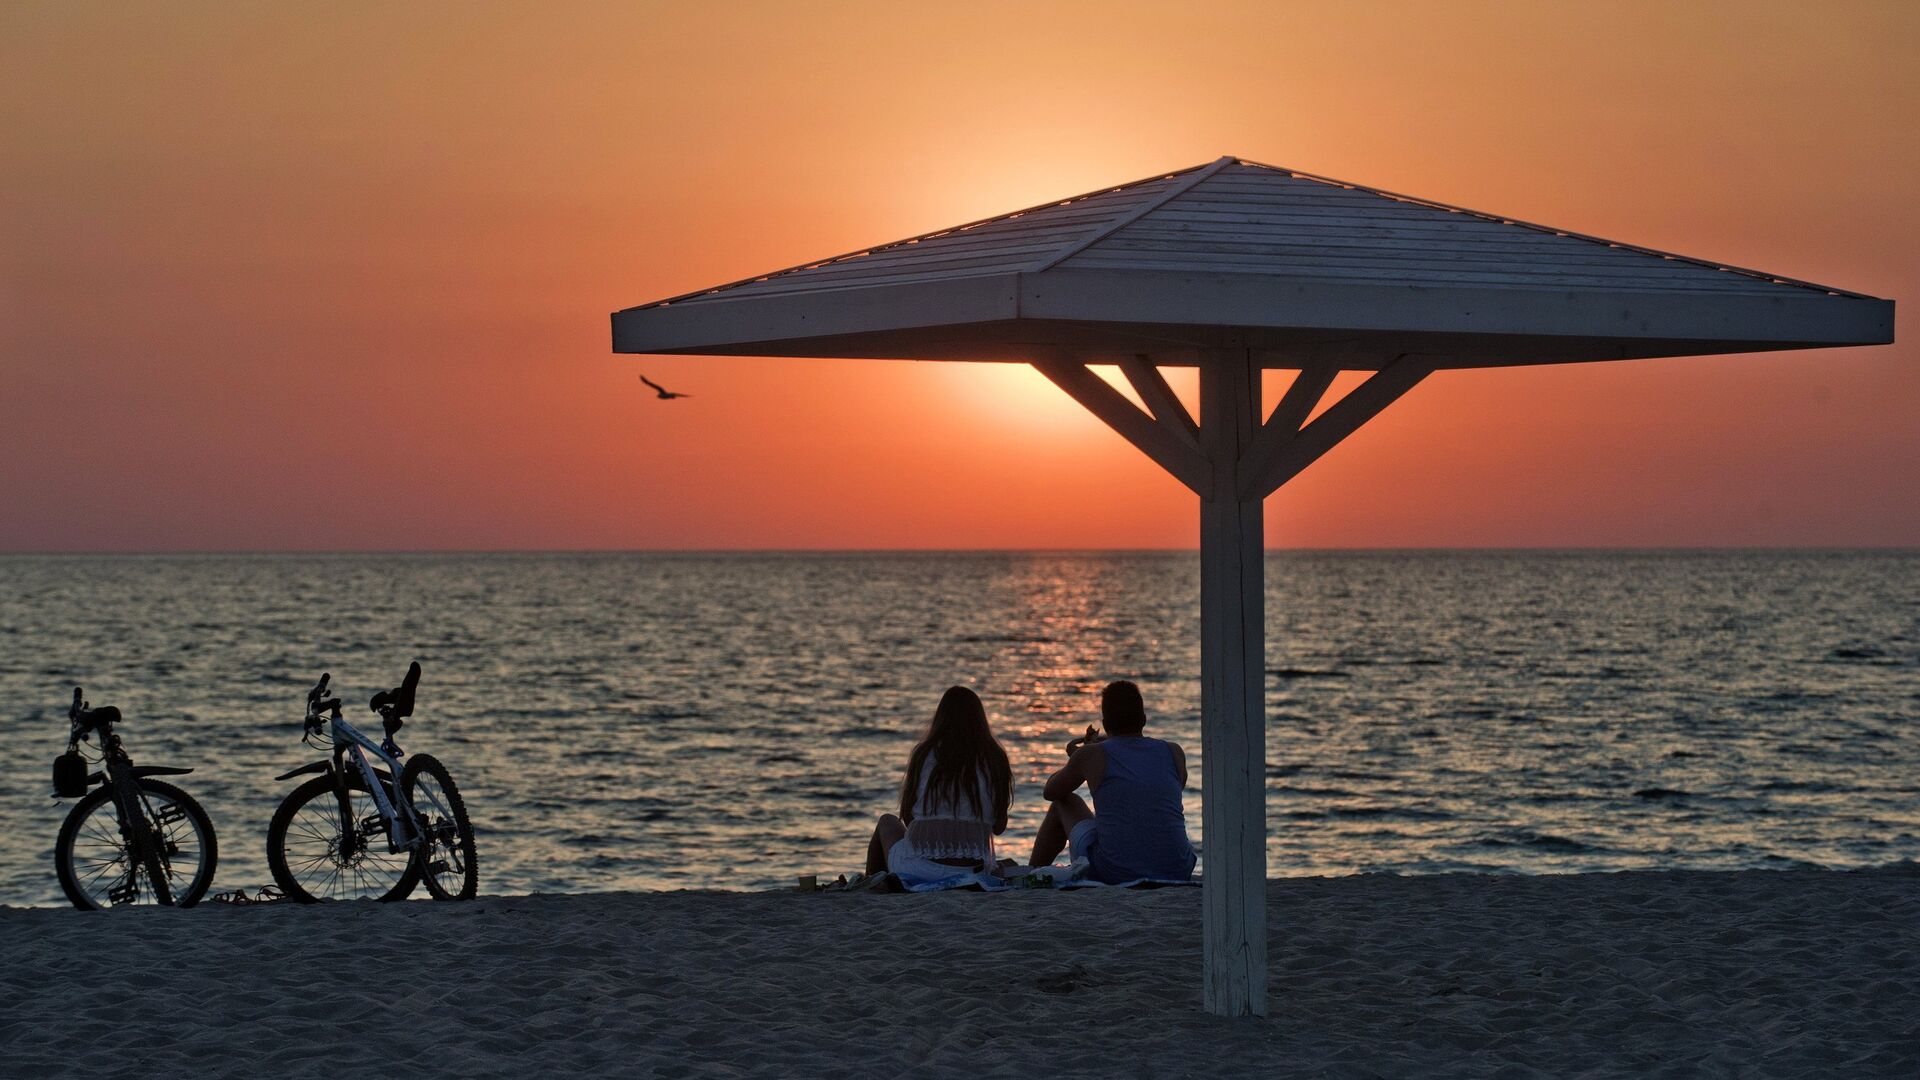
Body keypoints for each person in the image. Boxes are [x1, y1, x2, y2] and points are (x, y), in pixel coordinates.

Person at [1028, 679, 1195, 884]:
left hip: (1116, 872)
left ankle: (1030, 874)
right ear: (1143, 719)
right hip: (1178, 869)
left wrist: (1075, 760)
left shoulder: (1092, 755)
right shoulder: (1173, 751)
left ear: (1105, 724)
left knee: (1064, 802)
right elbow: (1152, 795)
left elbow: (1050, 792)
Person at [866, 686, 1013, 882]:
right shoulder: (995, 757)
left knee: (887, 821)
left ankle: (872, 884)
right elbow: (999, 827)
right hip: (973, 871)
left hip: (919, 869)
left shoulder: (924, 753)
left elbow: (909, 820)